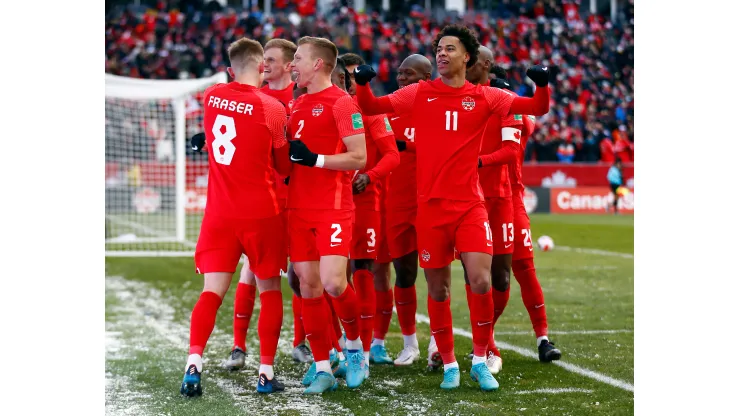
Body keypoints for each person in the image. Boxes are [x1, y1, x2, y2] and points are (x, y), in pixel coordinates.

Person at [353, 24, 551, 391]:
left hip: (470, 205)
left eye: (449, 48)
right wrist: (363, 83)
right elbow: (370, 106)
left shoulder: (487, 96)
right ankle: (448, 364)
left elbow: (537, 106)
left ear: (468, 57)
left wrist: (542, 84)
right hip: (429, 209)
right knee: (439, 289)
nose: (441, 53)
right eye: (438, 48)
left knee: (480, 279)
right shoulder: (419, 92)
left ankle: (478, 360)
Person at [182, 38, 292, 397]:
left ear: (230, 69)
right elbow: (282, 165)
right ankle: (265, 372)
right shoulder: (272, 107)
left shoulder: (211, 95)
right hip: (261, 212)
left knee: (211, 292)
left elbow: (217, 139)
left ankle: (194, 363)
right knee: (270, 289)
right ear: (262, 67)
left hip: (219, 213)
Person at [287, 36, 368, 394]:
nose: (293, 64)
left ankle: (354, 347)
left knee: (335, 283)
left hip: (333, 207)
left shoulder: (342, 103)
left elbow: (359, 157)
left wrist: (316, 160)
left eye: (298, 58)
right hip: (298, 208)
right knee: (308, 286)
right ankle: (322, 366)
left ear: (318, 64)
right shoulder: (297, 104)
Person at [472, 67, 562, 370]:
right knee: (491, 275)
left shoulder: (511, 111)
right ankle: (486, 337)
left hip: (513, 199)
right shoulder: (481, 112)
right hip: (487, 197)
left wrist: (506, 99)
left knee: (524, 267)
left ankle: (543, 339)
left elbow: (529, 122)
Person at [368, 54, 436, 368]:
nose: (402, 79)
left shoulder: (437, 106)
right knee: (404, 274)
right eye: (399, 74)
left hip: (431, 202)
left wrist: (409, 147)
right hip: (397, 205)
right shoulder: (389, 111)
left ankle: (438, 339)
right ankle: (410, 344)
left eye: (408, 74)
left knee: (438, 275)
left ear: (427, 75)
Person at [339, 52, 400, 369]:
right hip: (332, 202)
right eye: (346, 76)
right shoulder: (331, 107)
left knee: (374, 271)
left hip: (369, 202)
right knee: (333, 276)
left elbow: (392, 156)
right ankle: (340, 345)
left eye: (355, 76)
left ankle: (372, 345)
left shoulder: (372, 111)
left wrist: (369, 176)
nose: (351, 82)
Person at [464, 49, 523, 375]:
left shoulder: (502, 99)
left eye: (473, 61)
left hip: (498, 197)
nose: (466, 65)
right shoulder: (452, 97)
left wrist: (479, 161)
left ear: (486, 65)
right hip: (464, 198)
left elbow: (511, 150)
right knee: (475, 277)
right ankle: (485, 346)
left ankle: (483, 338)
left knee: (500, 275)